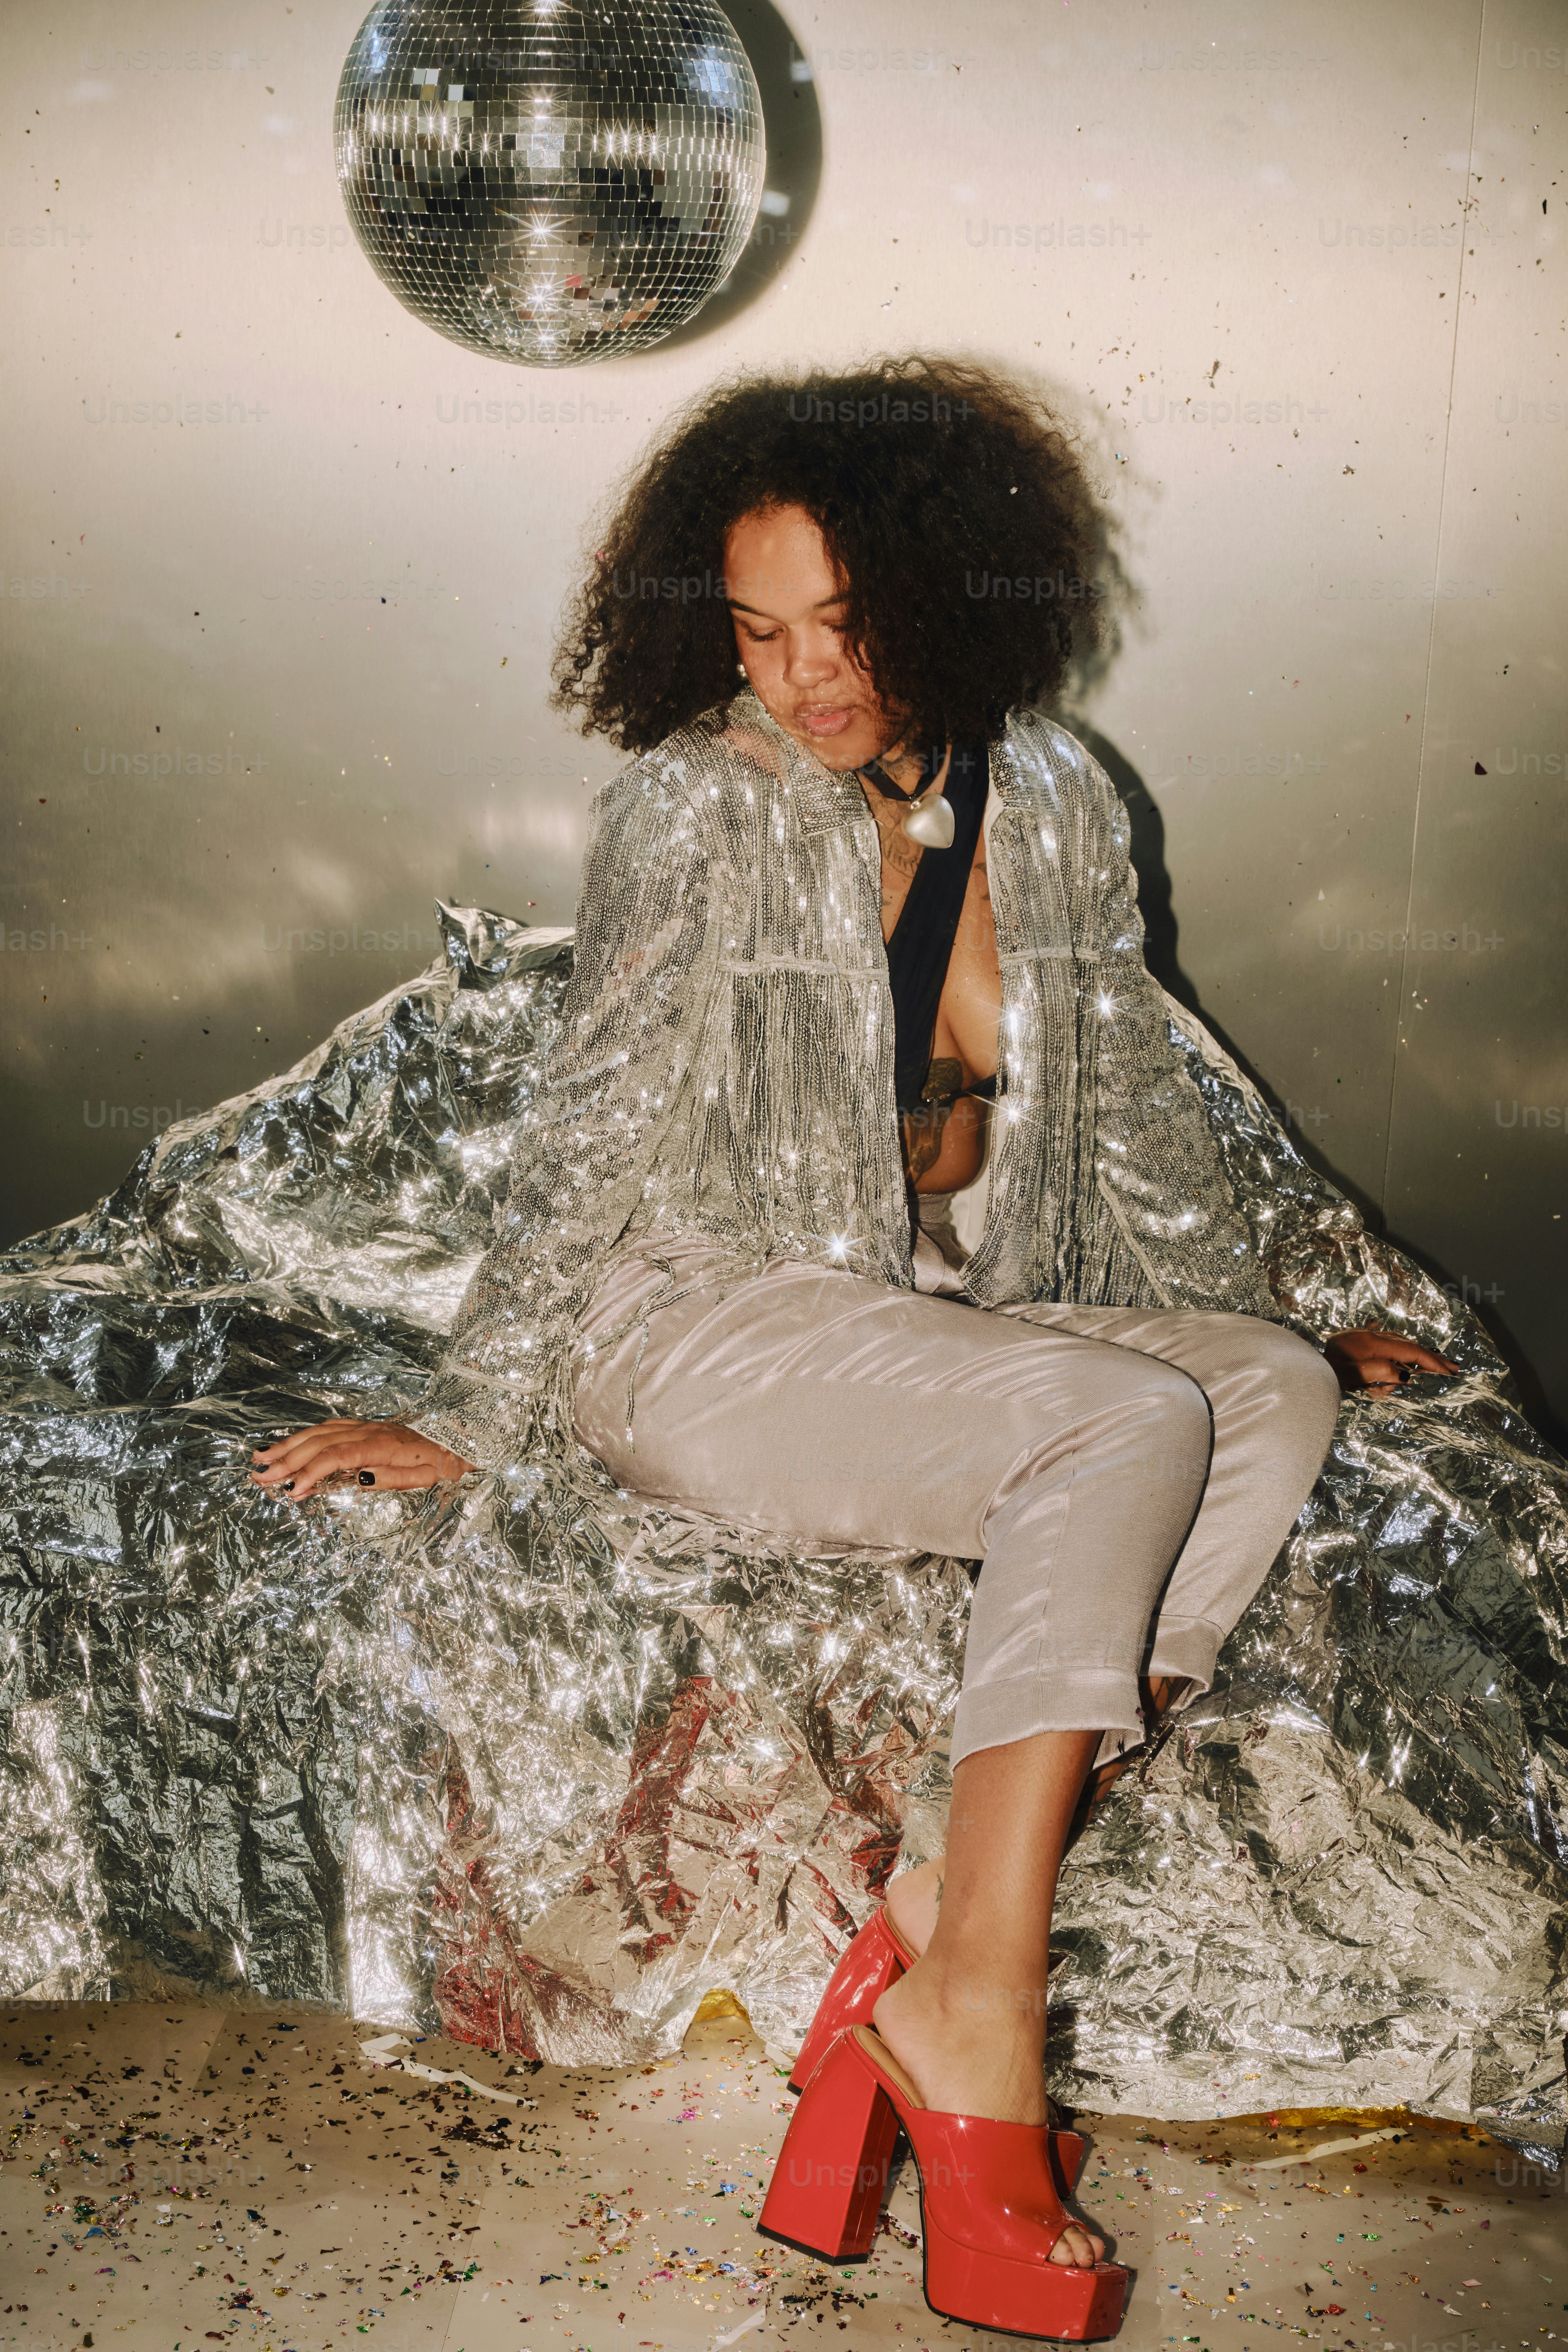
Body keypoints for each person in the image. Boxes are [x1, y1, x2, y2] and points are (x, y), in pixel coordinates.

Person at [250, 359, 1457, 2340]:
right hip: (697, 1320)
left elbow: (1144, 1109)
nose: (804, 676)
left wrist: (1296, 1293)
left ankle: (932, 1909)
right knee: (1119, 1427)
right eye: (759, 630)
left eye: (845, 621)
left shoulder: (1057, 797)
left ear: (946, 590)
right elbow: (589, 1128)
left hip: (915, 1326)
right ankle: (976, 2006)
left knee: (1264, 1389)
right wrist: (476, 1407)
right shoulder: (691, 809)